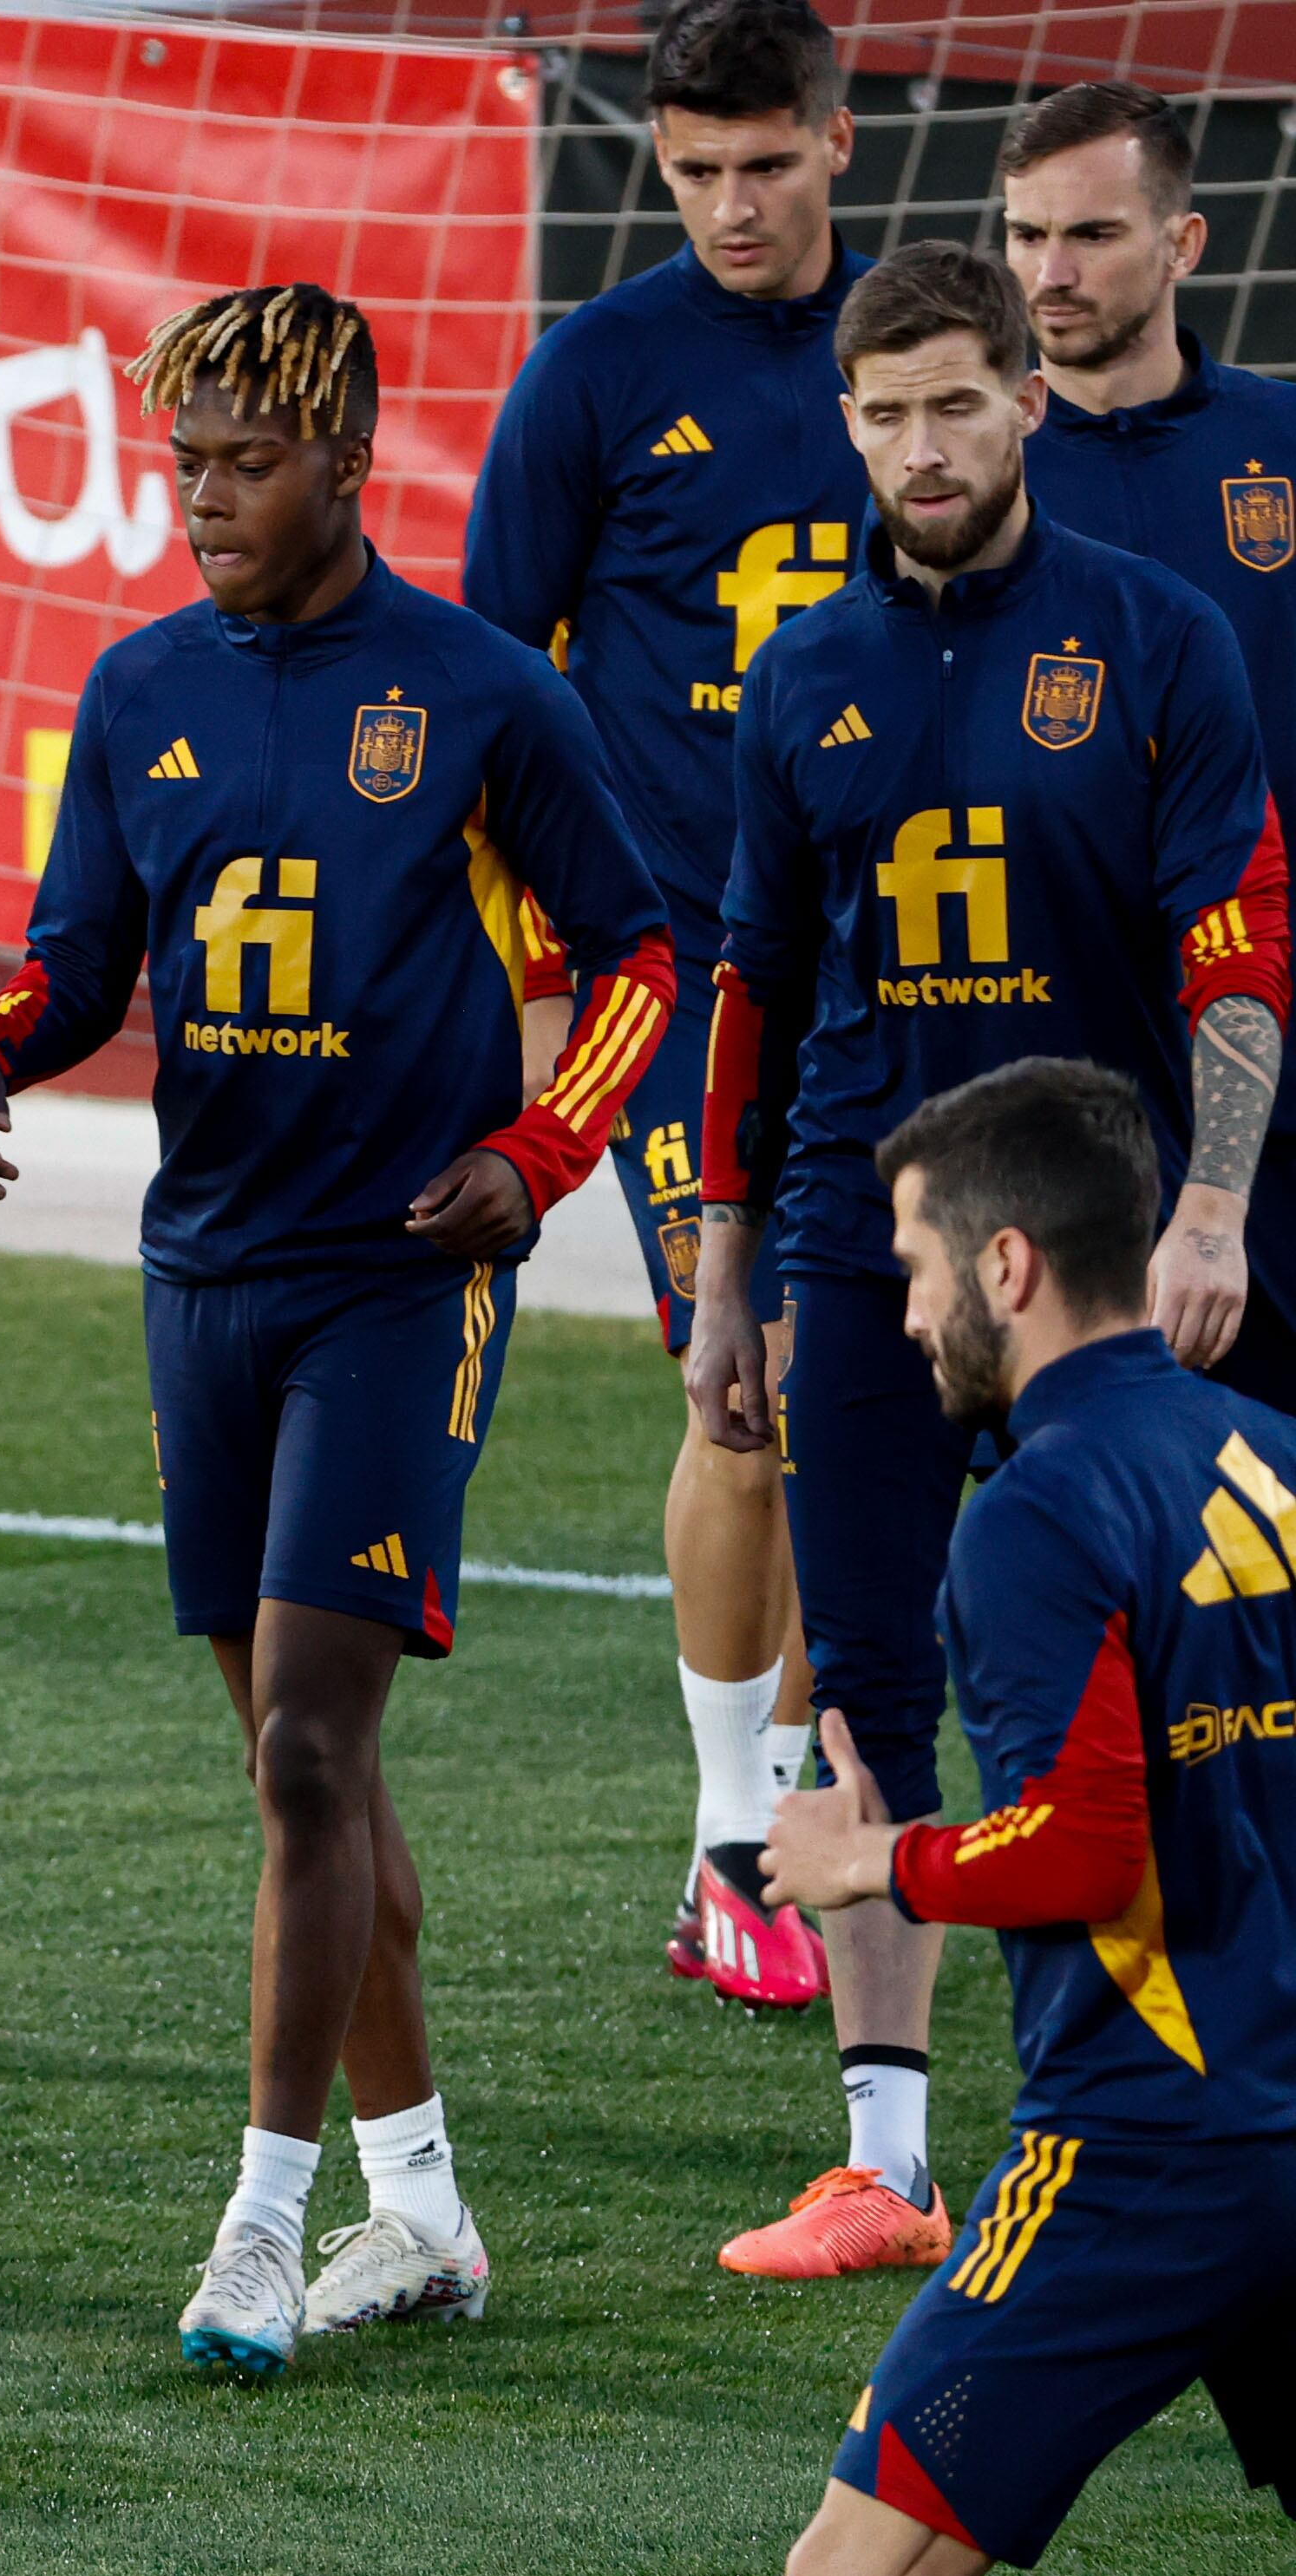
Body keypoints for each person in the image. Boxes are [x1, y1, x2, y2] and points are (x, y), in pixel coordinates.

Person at [0, 283, 677, 2377]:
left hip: (395, 1278)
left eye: (244, 462)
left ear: (348, 462)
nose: (201, 501)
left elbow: (635, 951)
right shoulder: (137, 684)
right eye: (182, 463)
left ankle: (263, 2215)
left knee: (308, 1750)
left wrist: (541, 1148)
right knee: (301, 1782)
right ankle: (422, 2208)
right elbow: (81, 958)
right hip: (204, 1277)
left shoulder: (478, 692)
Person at [688, 239, 1286, 2282]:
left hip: (1105, 1255)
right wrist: (725, 1260)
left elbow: (1238, 935)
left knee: (1191, 1666)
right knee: (866, 1677)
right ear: (844, 427)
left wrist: (1212, 1199)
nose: (923, 446)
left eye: (959, 401)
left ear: (1030, 398)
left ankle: (1224, 2069)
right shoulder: (798, 673)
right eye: (884, 412)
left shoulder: (1157, 636)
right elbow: (753, 981)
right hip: (873, 1250)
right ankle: (883, 2156)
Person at [762, 1058, 1296, 2576]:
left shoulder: (1036, 1514)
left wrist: (864, 1860)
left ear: (1010, 1265)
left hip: (1142, 2156)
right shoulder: (1273, 1452)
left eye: (919, 1269)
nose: (909, 1315)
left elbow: (1082, 1845)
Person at [463, 0, 864, 2011]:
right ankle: (730, 1839)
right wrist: (535, 993)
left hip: (928, 963)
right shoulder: (596, 375)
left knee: (892, 1416)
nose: (723, 204)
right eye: (691, 169)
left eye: (760, 165)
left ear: (835, 144)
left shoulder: (923, 358)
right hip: (696, 979)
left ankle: (811, 1803)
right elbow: (485, 700)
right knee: (756, 1388)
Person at [1001, 80, 1296, 1406]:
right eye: (1023, 236)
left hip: (1271, 1045)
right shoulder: (962, 481)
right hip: (1052, 1059)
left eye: (1092, 236)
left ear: (1185, 244)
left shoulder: (1280, 449)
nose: (1048, 276)